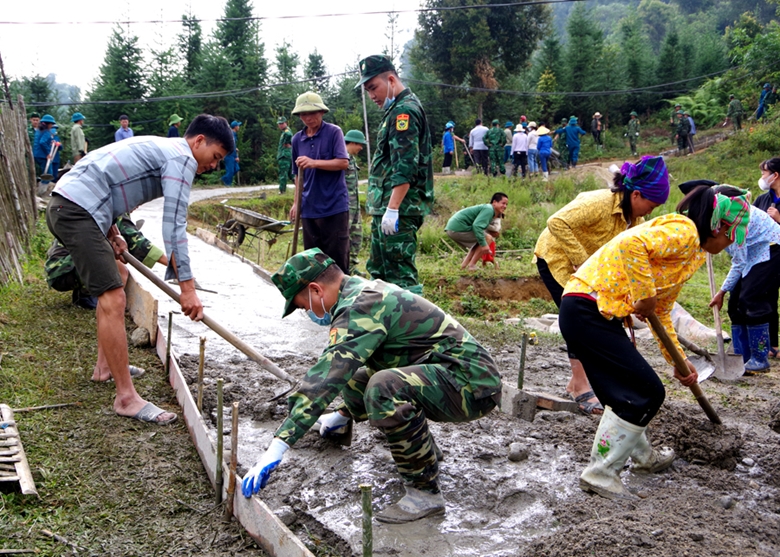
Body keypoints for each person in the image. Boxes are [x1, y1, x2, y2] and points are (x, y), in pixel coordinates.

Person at [241, 248, 502, 523]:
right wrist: (342, 413)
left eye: (304, 306)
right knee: (358, 376)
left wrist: (278, 446)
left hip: (472, 385)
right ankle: (420, 452)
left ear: (316, 290)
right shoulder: (361, 291)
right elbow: (346, 370)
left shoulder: (359, 307)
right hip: (450, 374)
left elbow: (326, 376)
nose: (309, 313)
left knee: (383, 387)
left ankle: (425, 494)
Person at [559, 185, 751, 499]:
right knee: (647, 391)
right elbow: (632, 244)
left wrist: (678, 360)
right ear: (718, 226)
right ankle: (600, 474)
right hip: (586, 307)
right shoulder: (684, 231)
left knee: (624, 395)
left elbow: (660, 310)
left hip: (593, 313)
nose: (732, 242)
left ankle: (644, 459)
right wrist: (644, 293)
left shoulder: (692, 254)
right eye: (732, 235)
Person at [45, 113, 233, 425]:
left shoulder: (164, 149)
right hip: (76, 209)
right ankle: (126, 398)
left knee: (118, 274)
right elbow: (174, 225)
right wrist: (187, 290)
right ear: (199, 141)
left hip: (78, 205)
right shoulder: (182, 159)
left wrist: (113, 234)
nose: (213, 165)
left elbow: (106, 181)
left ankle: (104, 368)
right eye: (215, 157)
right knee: (113, 298)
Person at [535, 156, 669, 415]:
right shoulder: (599, 202)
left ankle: (577, 381)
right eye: (651, 205)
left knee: (595, 317)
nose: (650, 212)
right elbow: (556, 222)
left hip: (590, 272)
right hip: (558, 258)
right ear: (636, 194)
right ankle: (580, 386)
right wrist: (582, 259)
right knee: (580, 317)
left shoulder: (634, 222)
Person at [356, 54, 433, 295]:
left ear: (391, 79)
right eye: (367, 90)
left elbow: (405, 166)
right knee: (380, 274)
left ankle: (414, 329)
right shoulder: (395, 111)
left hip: (399, 208)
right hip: (387, 207)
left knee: (400, 277)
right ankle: (384, 327)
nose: (371, 96)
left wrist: (393, 209)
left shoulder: (405, 112)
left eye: (373, 88)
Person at [709, 188, 780, 373]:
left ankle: (760, 358)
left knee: (751, 300)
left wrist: (721, 291)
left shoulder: (736, 221)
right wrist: (724, 293)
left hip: (771, 249)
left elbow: (738, 262)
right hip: (751, 254)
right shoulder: (716, 220)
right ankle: (741, 356)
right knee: (735, 305)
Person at [45, 213, 167, 310]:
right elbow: (139, 245)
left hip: (59, 268)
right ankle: (101, 301)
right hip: (64, 270)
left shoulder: (99, 203)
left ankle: (85, 294)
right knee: (119, 270)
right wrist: (174, 265)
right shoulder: (116, 210)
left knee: (108, 250)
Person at [289, 91, 350, 274]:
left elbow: (343, 162)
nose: (308, 118)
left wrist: (314, 163)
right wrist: (296, 202)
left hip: (334, 207)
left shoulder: (333, 132)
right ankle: (317, 301)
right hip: (309, 209)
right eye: (303, 114)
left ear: (322, 112)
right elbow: (297, 176)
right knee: (313, 262)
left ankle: (341, 299)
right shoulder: (297, 140)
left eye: (312, 113)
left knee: (336, 261)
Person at [754, 157, 780, 358]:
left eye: (764, 174)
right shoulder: (762, 200)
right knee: (768, 297)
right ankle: (772, 344)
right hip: (768, 258)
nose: (762, 178)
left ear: (775, 175)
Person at [445, 192, 509, 271]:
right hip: (458, 228)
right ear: (494, 202)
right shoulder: (489, 209)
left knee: (479, 242)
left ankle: (463, 266)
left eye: (506, 204)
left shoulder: (489, 210)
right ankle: (472, 265)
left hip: (453, 228)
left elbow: (479, 226)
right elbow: (477, 226)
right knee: (487, 238)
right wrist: (484, 245)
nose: (505, 206)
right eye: (503, 203)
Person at [344, 129, 367, 275]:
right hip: (344, 206)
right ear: (352, 143)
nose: (361, 148)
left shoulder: (351, 159)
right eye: (359, 145)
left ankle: (352, 267)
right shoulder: (341, 158)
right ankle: (344, 269)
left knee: (356, 237)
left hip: (354, 205)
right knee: (344, 238)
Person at [35, 114, 60, 184]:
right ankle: (43, 190)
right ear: (47, 124)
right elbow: (42, 142)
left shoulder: (39, 131)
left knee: (44, 172)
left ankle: (42, 186)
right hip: (43, 155)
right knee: (48, 174)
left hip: (37, 154)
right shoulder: (46, 132)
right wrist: (48, 153)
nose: (52, 126)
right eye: (51, 124)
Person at [277, 116, 294, 194]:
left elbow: (289, 134)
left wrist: (286, 142)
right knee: (292, 174)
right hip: (288, 155)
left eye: (282, 123)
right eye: (279, 124)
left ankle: (282, 190)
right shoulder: (284, 132)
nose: (280, 125)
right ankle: (301, 188)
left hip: (284, 155)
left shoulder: (286, 132)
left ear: (286, 123)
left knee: (283, 173)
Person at [221, 120, 241, 186]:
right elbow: (227, 144)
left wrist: (235, 150)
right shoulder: (231, 134)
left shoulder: (234, 135)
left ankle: (224, 179)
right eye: (238, 126)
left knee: (236, 168)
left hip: (233, 155)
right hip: (229, 155)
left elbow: (233, 145)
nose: (239, 127)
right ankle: (227, 184)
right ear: (235, 127)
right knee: (230, 171)